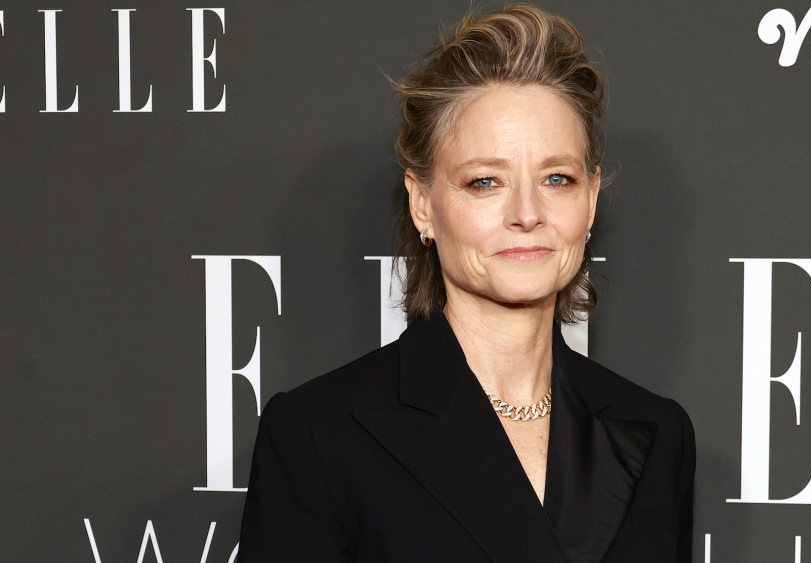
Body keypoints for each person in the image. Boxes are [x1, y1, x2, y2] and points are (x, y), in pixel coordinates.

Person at [237, 5, 694, 562]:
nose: (527, 213)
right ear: (422, 204)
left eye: (557, 178)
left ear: (591, 199)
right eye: (485, 182)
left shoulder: (656, 430)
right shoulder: (321, 434)